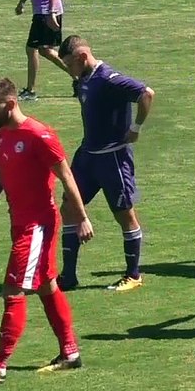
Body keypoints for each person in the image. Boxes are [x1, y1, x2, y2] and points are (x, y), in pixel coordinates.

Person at [0, 78, 95, 385]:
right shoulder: (2, 136)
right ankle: (70, 353)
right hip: (19, 224)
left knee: (13, 289)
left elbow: (67, 177)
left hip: (37, 227)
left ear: (9, 104)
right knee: (47, 286)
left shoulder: (39, 135)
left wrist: (82, 217)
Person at [56, 35, 154, 292]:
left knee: (124, 214)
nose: (68, 70)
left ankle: (133, 274)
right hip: (87, 156)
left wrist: (135, 127)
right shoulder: (83, 80)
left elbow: (146, 93)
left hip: (112, 158)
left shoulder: (109, 79)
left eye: (69, 65)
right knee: (68, 208)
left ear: (82, 58)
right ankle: (68, 276)